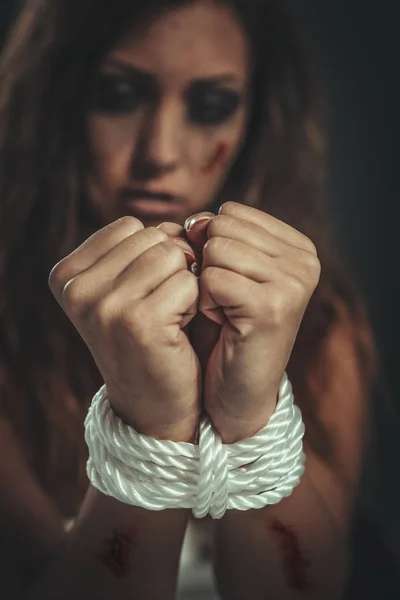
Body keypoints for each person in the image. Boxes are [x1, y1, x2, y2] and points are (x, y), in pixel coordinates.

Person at [0, 0, 378, 598]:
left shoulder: (319, 318)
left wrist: (253, 417)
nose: (161, 153)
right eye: (119, 95)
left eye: (210, 107)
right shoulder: (9, 333)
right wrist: (151, 428)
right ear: (54, 101)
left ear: (255, 119)